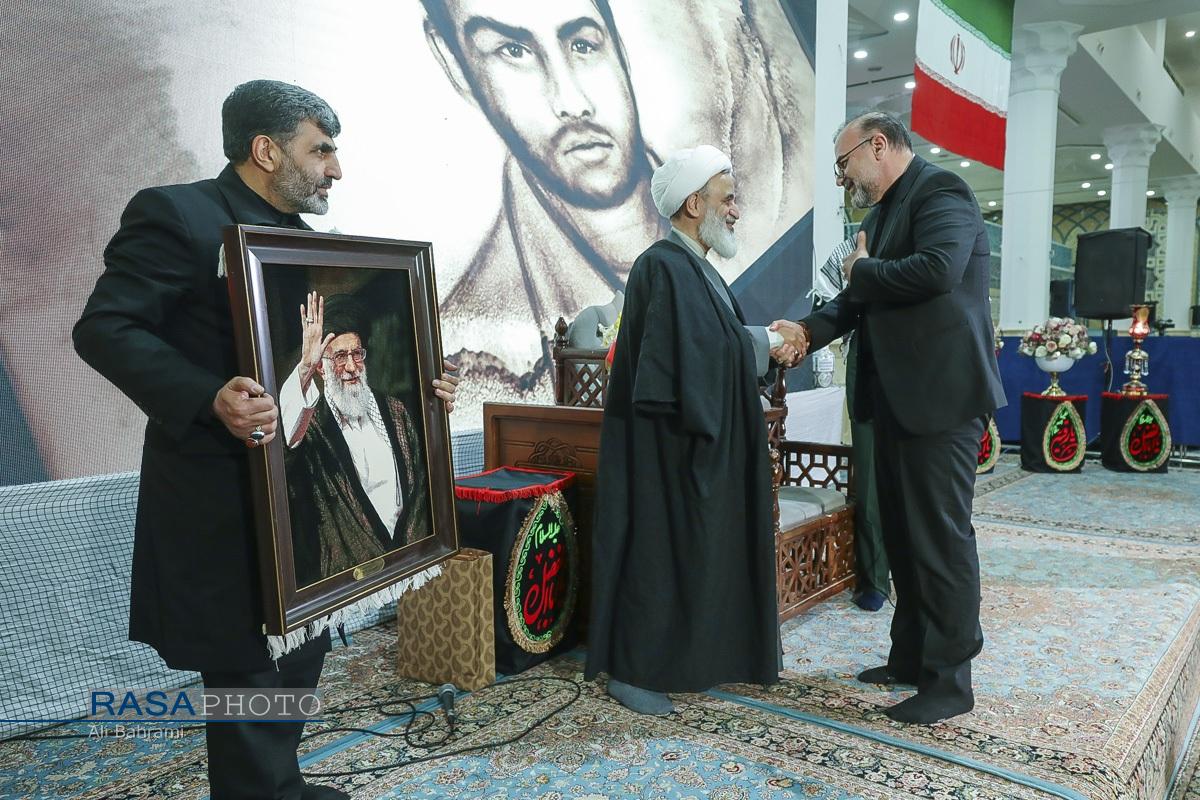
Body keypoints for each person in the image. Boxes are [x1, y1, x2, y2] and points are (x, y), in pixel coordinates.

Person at [73, 79, 458, 800]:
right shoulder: (177, 215)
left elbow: (326, 374)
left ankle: (280, 785)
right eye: (321, 151)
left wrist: (421, 392)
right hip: (220, 493)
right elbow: (104, 329)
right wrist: (206, 395)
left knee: (300, 648)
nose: (335, 169)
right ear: (265, 149)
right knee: (245, 668)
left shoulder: (306, 245)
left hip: (303, 494)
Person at [771, 111, 1005, 724]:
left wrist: (862, 270)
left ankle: (950, 681)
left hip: (941, 401)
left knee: (940, 540)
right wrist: (804, 333)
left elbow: (937, 270)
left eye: (843, 163)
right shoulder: (876, 218)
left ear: (878, 145)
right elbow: (853, 302)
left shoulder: (942, 191)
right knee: (901, 536)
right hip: (893, 403)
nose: (841, 177)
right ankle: (910, 657)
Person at [585, 145, 795, 716]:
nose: (735, 210)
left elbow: (711, 342)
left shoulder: (695, 269)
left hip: (693, 445)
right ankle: (635, 670)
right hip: (665, 450)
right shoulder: (662, 266)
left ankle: (697, 658)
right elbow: (694, 354)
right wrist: (768, 342)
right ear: (693, 204)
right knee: (658, 555)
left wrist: (761, 344)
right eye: (727, 199)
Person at [421, 0, 665, 409]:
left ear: (618, 44)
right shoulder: (483, 358)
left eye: (583, 45)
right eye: (513, 51)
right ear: (454, 62)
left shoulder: (742, 239)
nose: (572, 101)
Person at [280, 292, 437, 587]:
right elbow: (283, 443)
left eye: (357, 354)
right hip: (348, 588)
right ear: (321, 367)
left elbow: (420, 490)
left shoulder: (395, 411)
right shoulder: (311, 427)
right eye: (340, 357)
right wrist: (304, 367)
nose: (352, 367)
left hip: (408, 572)